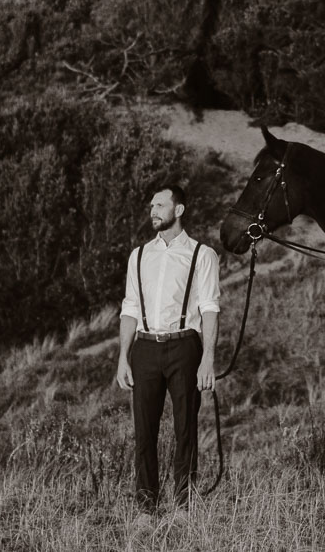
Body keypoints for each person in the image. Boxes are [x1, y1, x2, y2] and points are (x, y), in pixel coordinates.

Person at [116, 184, 220, 510]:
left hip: (185, 347)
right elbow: (130, 308)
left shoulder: (202, 254)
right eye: (151, 207)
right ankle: (146, 506)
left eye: (160, 205)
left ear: (179, 210)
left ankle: (183, 505)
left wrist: (208, 359)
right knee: (144, 432)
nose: (153, 212)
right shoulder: (139, 255)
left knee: (185, 430)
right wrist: (122, 358)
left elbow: (210, 309)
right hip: (145, 349)